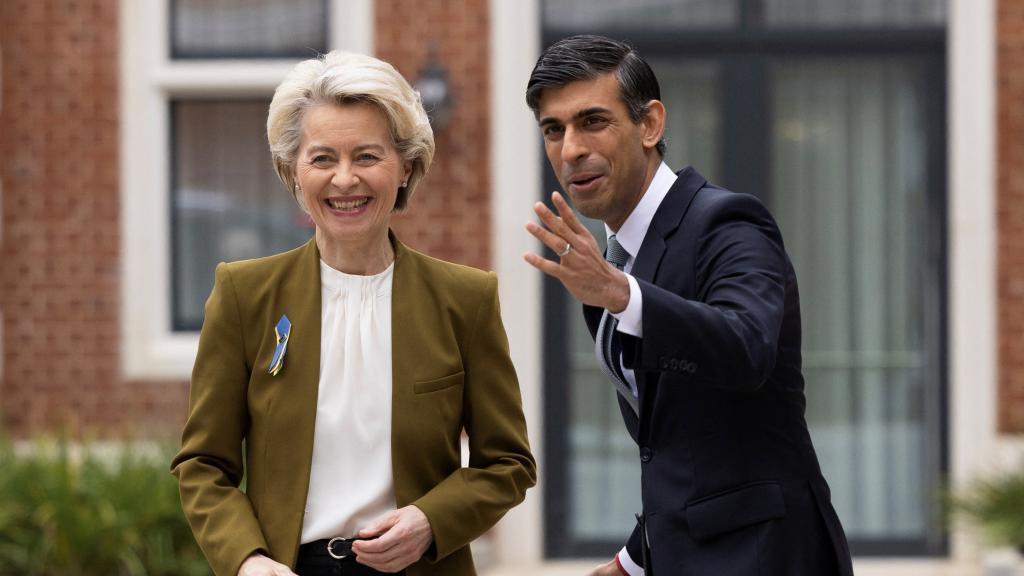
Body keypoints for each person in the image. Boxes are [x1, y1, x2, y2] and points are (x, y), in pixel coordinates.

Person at [172, 51, 536, 576]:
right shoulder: (243, 295)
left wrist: (431, 522)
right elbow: (203, 464)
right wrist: (247, 560)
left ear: (405, 165)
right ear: (293, 170)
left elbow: (508, 464)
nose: (345, 180)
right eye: (322, 159)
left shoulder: (465, 300)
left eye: (367, 156)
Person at [523, 35, 853, 576]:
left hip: (766, 554)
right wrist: (633, 559)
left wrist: (621, 295)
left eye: (593, 122)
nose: (571, 148)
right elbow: (677, 442)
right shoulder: (615, 261)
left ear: (650, 125)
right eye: (553, 130)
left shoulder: (726, 222)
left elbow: (747, 348)